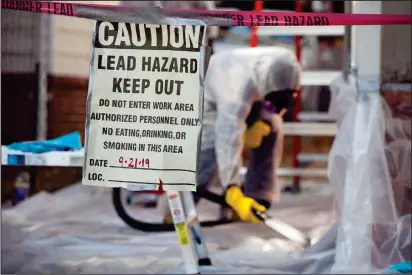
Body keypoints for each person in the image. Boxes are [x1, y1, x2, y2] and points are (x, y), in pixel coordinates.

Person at [162, 47, 301, 224]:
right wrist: (232, 186)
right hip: (206, 98)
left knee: (272, 124)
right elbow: (227, 136)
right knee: (210, 147)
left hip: (252, 93)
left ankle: (256, 197)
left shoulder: (287, 67)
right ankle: (179, 208)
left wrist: (266, 120)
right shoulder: (236, 88)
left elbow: (279, 99)